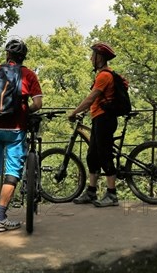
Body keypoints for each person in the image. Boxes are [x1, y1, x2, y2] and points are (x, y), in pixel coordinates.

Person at [0, 39, 43, 232]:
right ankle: (0, 217)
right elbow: (38, 103)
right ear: (23, 57)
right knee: (12, 173)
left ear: (7, 55)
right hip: (15, 128)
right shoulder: (28, 74)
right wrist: (27, 111)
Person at [68, 42, 119, 207]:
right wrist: (85, 112)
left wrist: (74, 112)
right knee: (92, 156)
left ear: (99, 57)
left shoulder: (105, 75)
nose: (90, 58)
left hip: (105, 119)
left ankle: (112, 194)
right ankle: (91, 191)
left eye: (92, 56)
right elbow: (96, 101)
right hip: (99, 118)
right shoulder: (102, 75)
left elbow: (91, 98)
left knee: (104, 155)